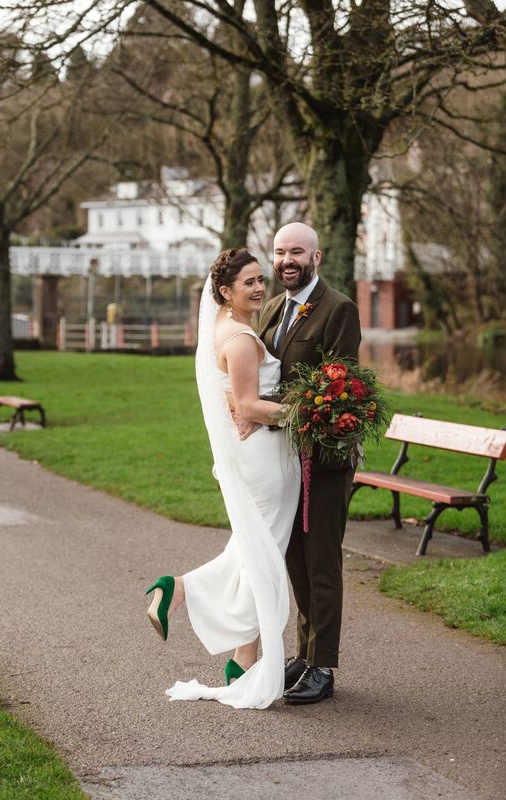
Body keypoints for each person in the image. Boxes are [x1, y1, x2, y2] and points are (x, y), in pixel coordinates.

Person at [145, 248, 300, 709]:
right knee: (264, 558)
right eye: (248, 282)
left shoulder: (226, 329)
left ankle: (242, 655)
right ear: (225, 291)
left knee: (252, 550)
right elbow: (250, 406)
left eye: (259, 280)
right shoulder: (238, 339)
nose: (258, 288)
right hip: (265, 459)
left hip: (255, 455)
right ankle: (182, 588)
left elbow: (241, 401)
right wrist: (311, 411)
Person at [258, 222, 361, 705]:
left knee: (320, 560)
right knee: (293, 557)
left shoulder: (338, 309)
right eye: (280, 252)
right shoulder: (274, 307)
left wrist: (264, 409)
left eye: (296, 252)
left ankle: (324, 666)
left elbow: (334, 387)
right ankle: (305, 651)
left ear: (316, 257)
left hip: (323, 458)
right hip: (281, 457)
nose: (286, 261)